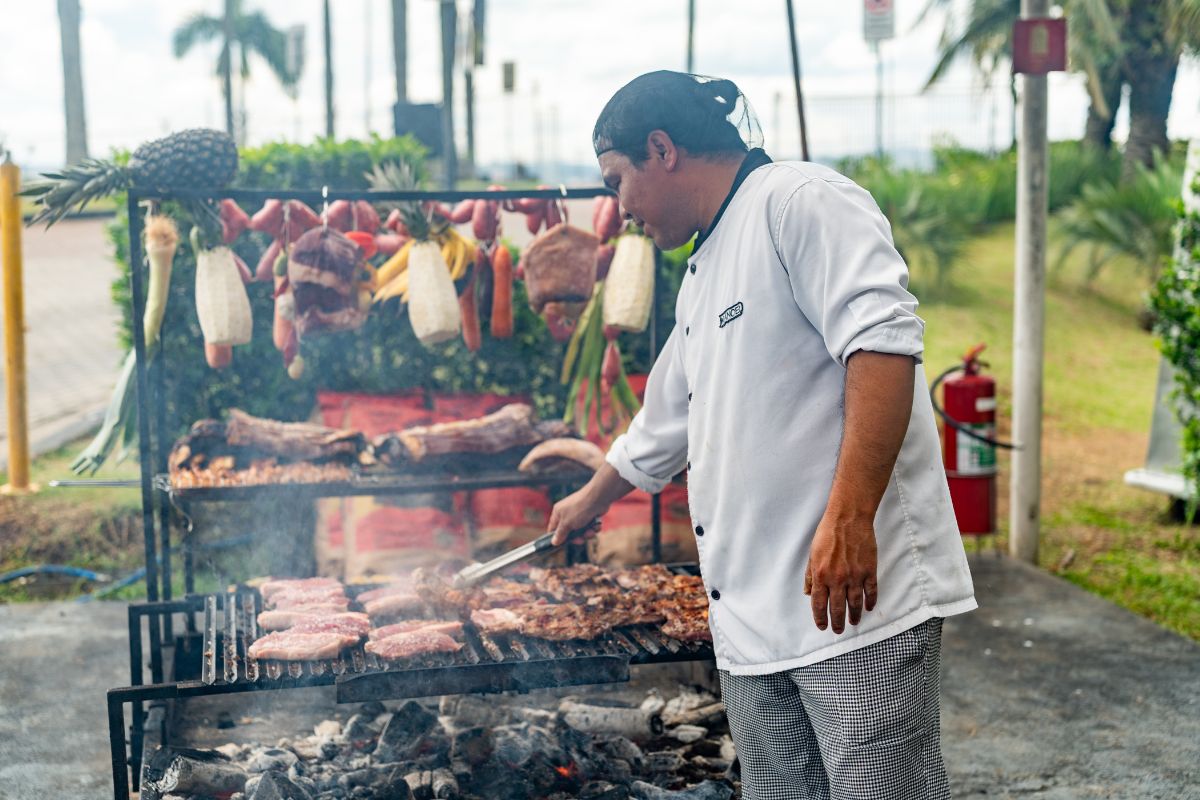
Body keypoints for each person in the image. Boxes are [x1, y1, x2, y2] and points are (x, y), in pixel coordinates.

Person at [547, 71, 977, 800]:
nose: (619, 209)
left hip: (850, 605)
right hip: (748, 622)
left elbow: (884, 346)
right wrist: (591, 495)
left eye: (618, 180)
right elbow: (666, 421)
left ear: (663, 149)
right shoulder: (702, 268)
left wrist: (850, 516)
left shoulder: (800, 201)